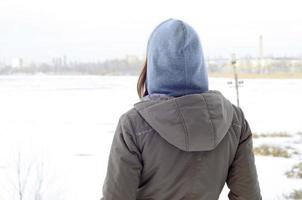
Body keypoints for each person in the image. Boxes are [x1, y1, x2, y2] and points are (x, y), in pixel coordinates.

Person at [101, 18, 262, 200]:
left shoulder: (133, 124)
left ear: (154, 63)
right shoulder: (234, 120)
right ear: (199, 62)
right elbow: (249, 196)